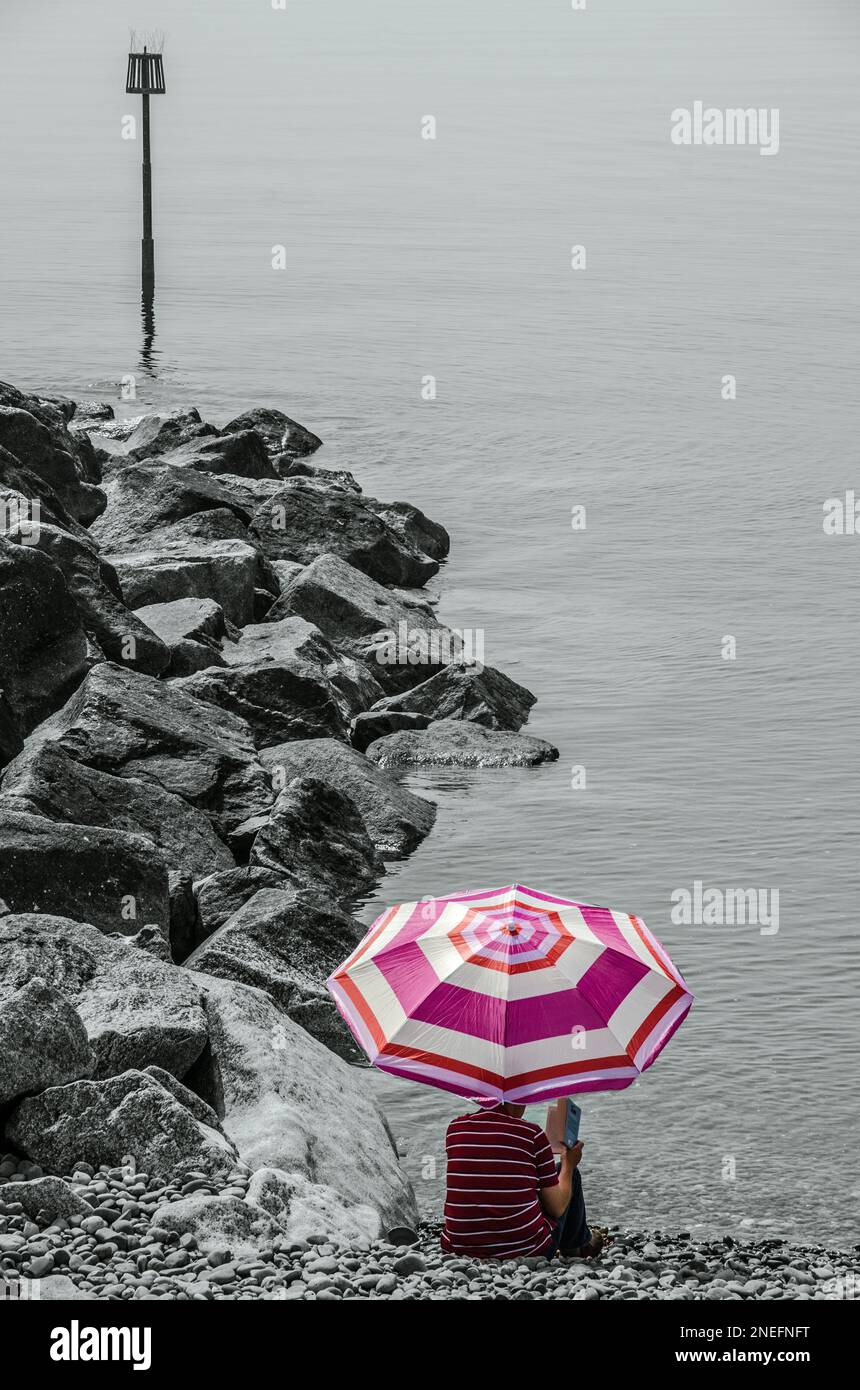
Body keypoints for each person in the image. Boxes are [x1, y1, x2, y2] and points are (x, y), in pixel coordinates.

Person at [440, 1099, 605, 1260]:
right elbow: (557, 1208)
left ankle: (578, 1240)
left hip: (458, 1247)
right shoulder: (532, 1134)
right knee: (566, 1174)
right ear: (518, 1098)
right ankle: (578, 1245)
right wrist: (569, 1164)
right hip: (525, 1249)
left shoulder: (455, 1129)